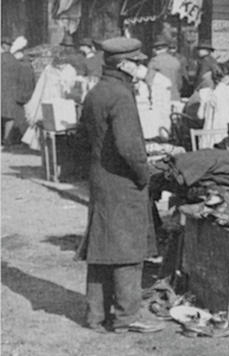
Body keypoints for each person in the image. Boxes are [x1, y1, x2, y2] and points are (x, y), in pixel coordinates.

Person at [78, 37, 160, 333]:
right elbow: (129, 148)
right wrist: (144, 174)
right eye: (137, 62)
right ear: (124, 64)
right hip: (123, 182)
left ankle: (95, 316)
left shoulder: (96, 92)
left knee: (101, 246)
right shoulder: (122, 96)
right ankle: (127, 317)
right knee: (128, 248)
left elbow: (81, 141)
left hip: (101, 178)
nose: (141, 66)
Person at [2, 37, 33, 146]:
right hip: (11, 92)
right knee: (9, 116)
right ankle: (7, 139)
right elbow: (22, 79)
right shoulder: (17, 62)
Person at [148, 36, 183, 101]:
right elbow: (180, 83)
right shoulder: (176, 61)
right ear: (167, 49)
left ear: (154, 50)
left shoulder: (154, 62)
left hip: (160, 98)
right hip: (175, 97)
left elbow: (149, 82)